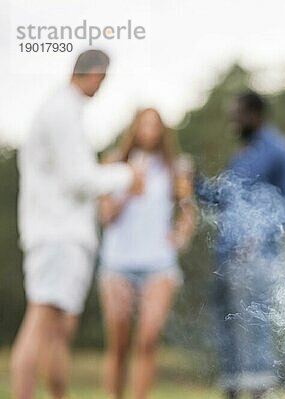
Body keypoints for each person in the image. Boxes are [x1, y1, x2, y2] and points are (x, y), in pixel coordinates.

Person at [12, 50, 144, 399]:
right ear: (96, 74)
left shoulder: (63, 109)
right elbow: (79, 179)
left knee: (59, 329)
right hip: (57, 234)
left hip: (60, 233)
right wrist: (127, 174)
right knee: (41, 322)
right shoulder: (61, 111)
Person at [197, 91, 285, 399]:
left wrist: (259, 237)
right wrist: (196, 183)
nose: (232, 120)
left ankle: (259, 393)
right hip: (226, 256)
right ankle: (231, 390)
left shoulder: (281, 150)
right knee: (227, 326)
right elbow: (225, 199)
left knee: (254, 324)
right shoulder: (242, 155)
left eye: (237, 113)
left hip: (257, 256)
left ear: (255, 114)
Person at [98, 108, 197, 399]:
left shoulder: (176, 168)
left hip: (159, 264)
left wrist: (180, 235)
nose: (150, 131)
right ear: (135, 128)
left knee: (149, 339)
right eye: (145, 124)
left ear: (163, 131)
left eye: (156, 125)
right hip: (118, 263)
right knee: (118, 344)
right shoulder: (114, 163)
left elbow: (187, 210)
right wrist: (129, 188)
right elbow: (105, 216)